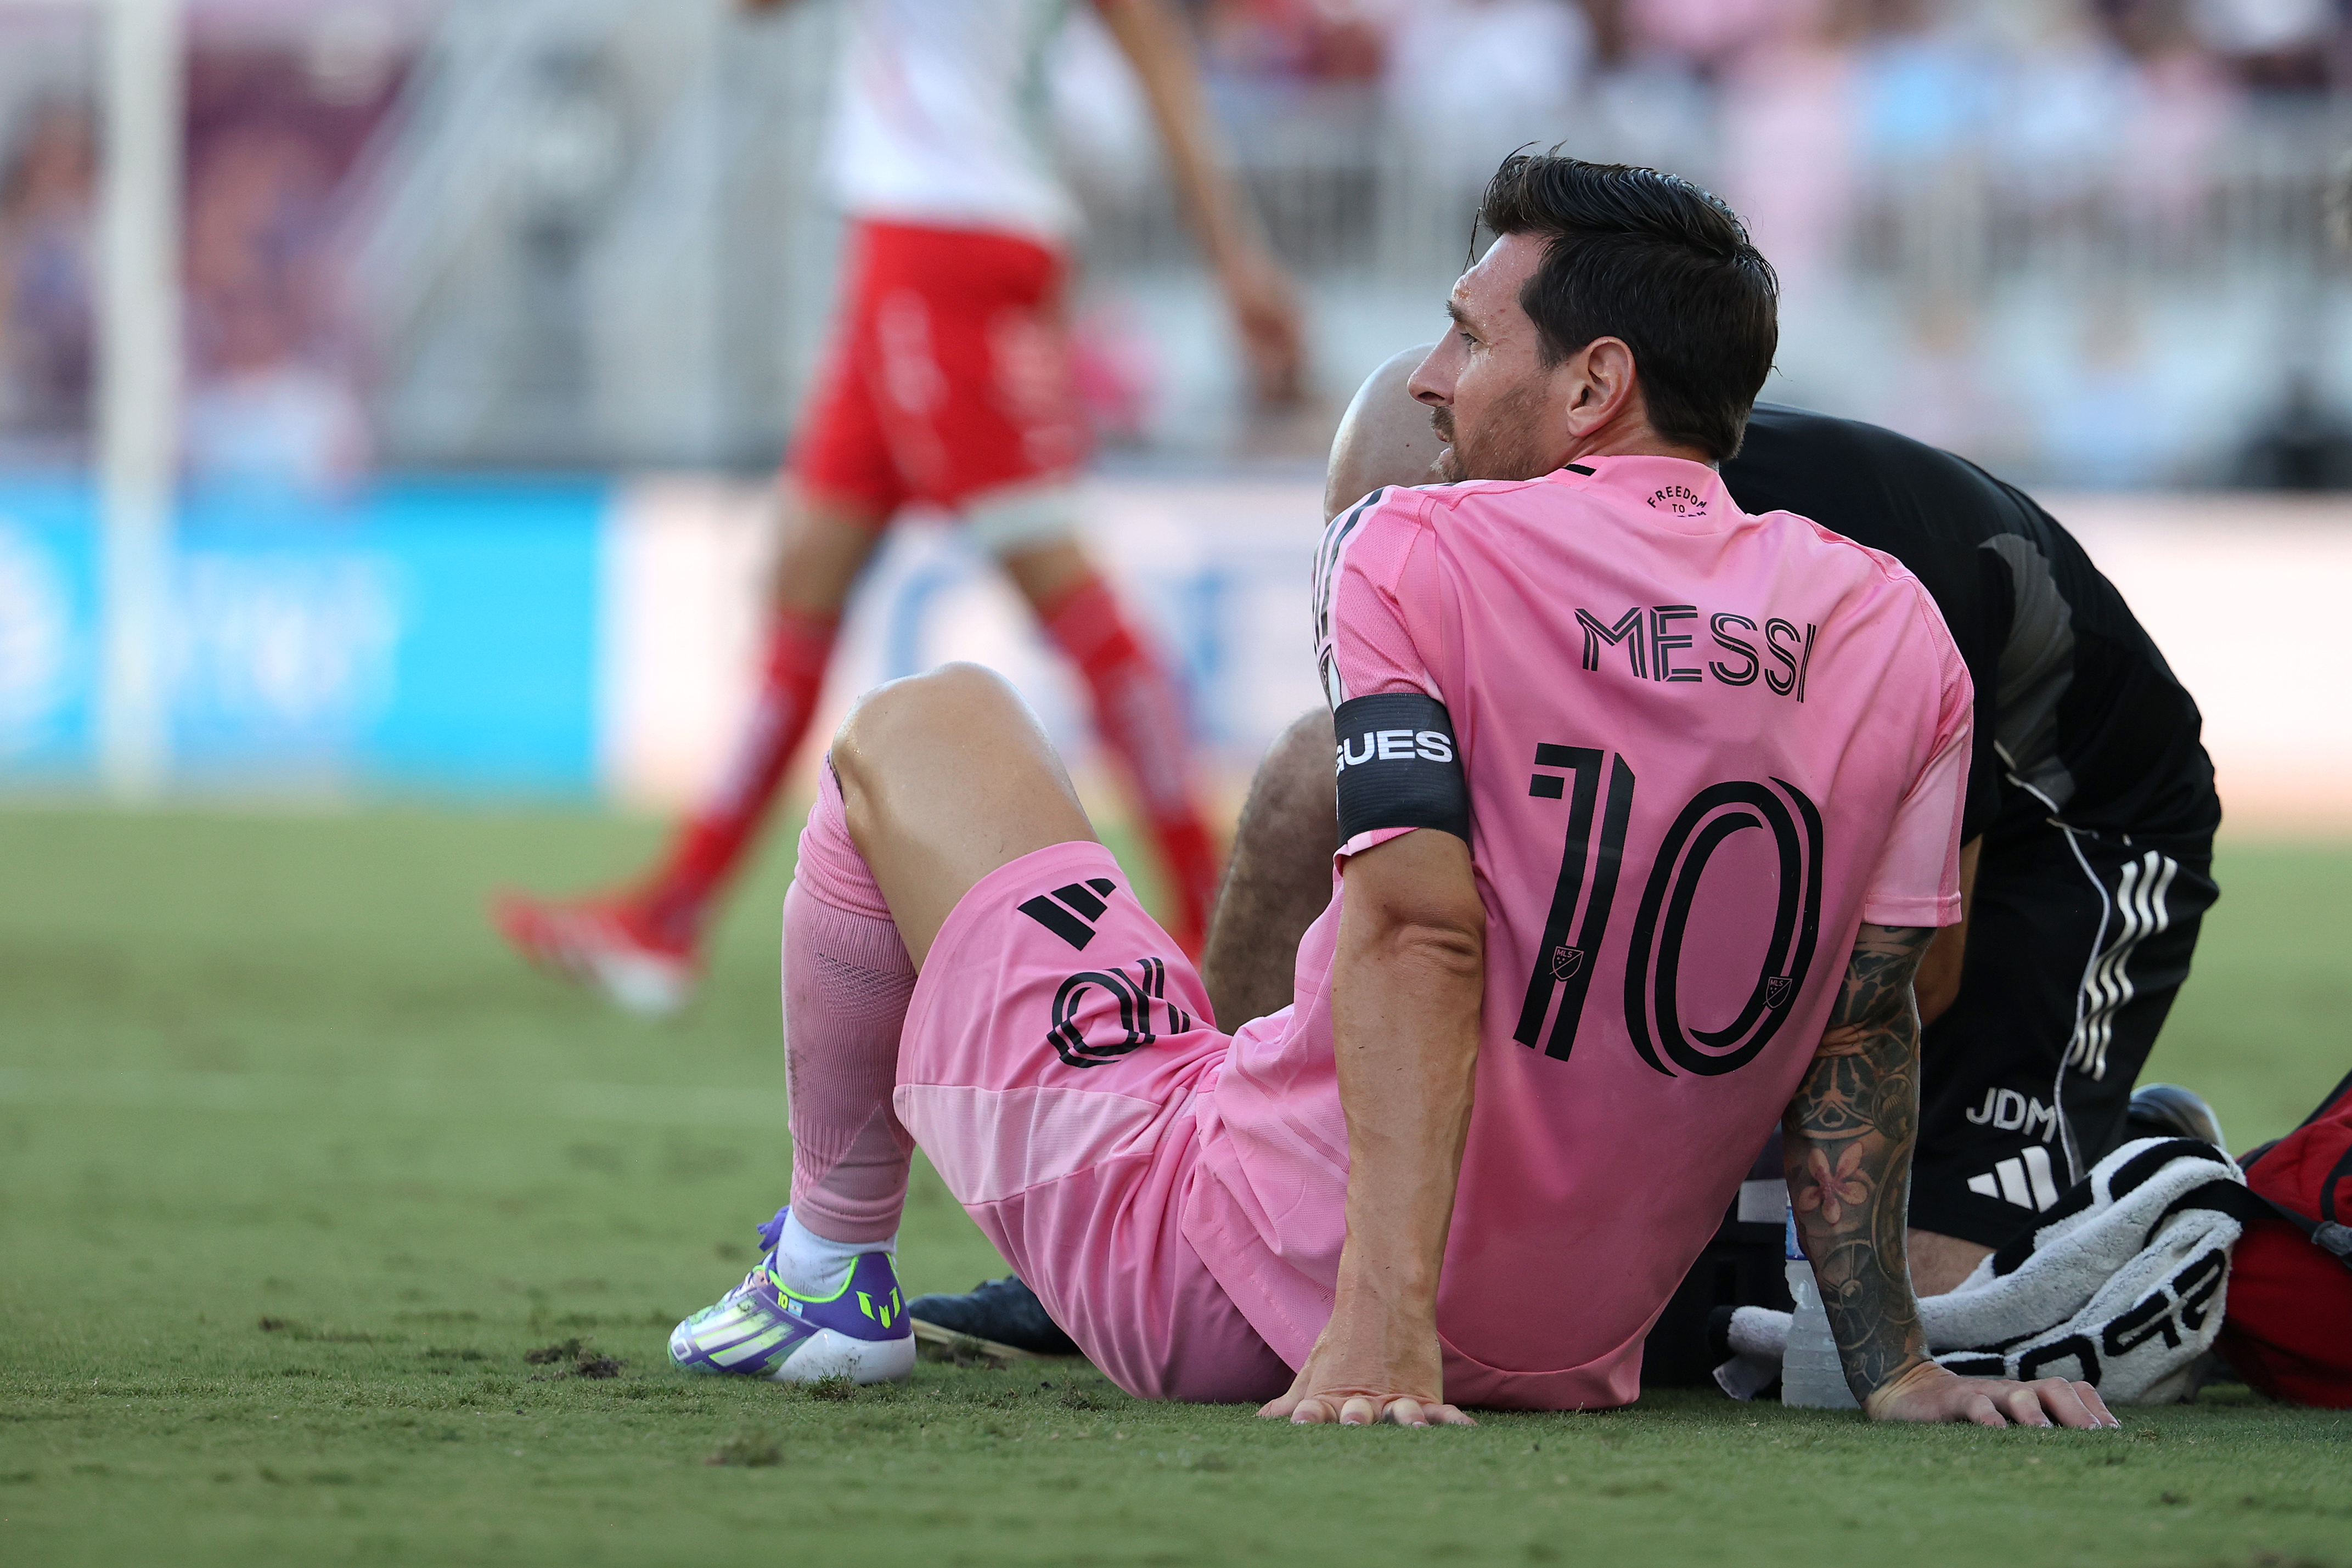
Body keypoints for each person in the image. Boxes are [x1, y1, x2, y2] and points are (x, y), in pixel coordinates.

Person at [664, 153, 2115, 1428]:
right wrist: (1893, 1368)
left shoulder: (1414, 544)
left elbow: (1420, 934)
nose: (1429, 376)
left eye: (1465, 335)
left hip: (1249, 1285)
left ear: (1592, 384)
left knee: (924, 724)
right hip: (1572, 1352)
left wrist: (1383, 1320)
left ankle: (824, 1274)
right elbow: (1866, 1015)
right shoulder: (1889, 628)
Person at [916, 357, 2228, 1361]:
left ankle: (2126, 1171)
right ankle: (1224, 1185)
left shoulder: (1834, 589)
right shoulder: (1499, 538)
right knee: (1319, 770)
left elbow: (1896, 983)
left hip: (2072, 837)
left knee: (1913, 1308)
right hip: (1786, 812)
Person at [494, 0, 1304, 1009]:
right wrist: (1238, 260)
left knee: (1061, 585)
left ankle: (1218, 922)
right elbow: (1162, 66)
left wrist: (1238, 265)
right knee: (808, 577)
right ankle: (671, 915)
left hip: (935, 243)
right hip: (958, 232)